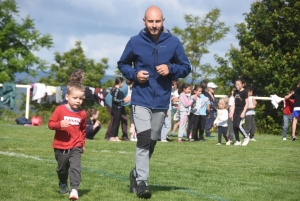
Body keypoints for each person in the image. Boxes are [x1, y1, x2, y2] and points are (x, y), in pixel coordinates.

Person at [117, 5, 191, 199]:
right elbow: (122, 64)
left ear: (163, 21)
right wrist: (134, 74)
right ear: (144, 21)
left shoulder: (173, 42)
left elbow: (185, 67)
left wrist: (170, 69)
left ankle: (135, 173)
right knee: (143, 138)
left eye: (157, 21)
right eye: (150, 21)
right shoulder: (135, 42)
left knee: (152, 140)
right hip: (140, 98)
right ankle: (142, 182)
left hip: (161, 101)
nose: (154, 25)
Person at [48, 81, 86, 200]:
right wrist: (59, 124)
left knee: (75, 167)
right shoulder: (60, 110)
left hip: (76, 145)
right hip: (60, 146)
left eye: (80, 98)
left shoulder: (83, 114)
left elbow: (83, 130)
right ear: (67, 97)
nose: (78, 101)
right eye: (75, 98)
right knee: (62, 169)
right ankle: (63, 183)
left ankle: (74, 189)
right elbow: (50, 124)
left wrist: (82, 144)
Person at [229, 78, 250, 146]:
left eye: (238, 84)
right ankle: (238, 141)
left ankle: (246, 137)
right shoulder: (235, 92)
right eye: (236, 84)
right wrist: (232, 111)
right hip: (236, 110)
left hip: (241, 110)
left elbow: (247, 103)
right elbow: (234, 103)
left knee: (238, 125)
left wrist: (243, 112)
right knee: (234, 126)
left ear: (242, 84)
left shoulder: (245, 92)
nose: (236, 86)